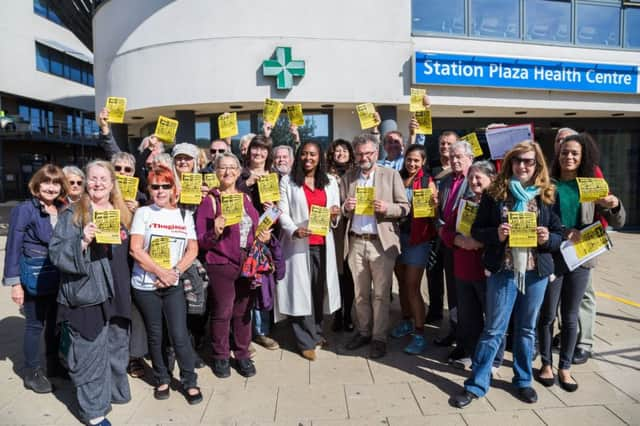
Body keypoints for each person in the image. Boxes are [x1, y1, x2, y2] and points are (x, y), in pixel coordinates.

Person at [451, 140, 563, 408]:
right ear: (510, 162)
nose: (522, 166)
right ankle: (477, 384)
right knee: (494, 330)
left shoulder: (547, 194)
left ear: (537, 165)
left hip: (535, 273)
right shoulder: (496, 193)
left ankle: (523, 380)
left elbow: (559, 233)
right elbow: (478, 230)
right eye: (518, 160)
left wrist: (548, 238)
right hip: (504, 271)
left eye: (528, 161)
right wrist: (496, 234)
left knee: (526, 330)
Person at [537, 133, 625, 392]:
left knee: (571, 316)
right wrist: (563, 231)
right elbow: (541, 220)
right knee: (547, 315)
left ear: (583, 156)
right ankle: (546, 364)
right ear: (558, 155)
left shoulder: (591, 185)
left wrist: (614, 204)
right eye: (565, 152)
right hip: (553, 256)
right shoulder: (547, 184)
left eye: (575, 153)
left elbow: (618, 221)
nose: (569, 157)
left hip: (581, 259)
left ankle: (565, 367)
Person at [49, 160, 133, 425]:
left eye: (103, 179)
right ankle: (95, 412)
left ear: (112, 183)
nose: (97, 183)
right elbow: (55, 252)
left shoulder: (122, 211)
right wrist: (82, 241)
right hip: (87, 292)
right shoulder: (73, 213)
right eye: (92, 178)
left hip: (118, 289)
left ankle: (114, 391)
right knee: (88, 352)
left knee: (116, 346)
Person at [196, 153, 275, 378]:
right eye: (223, 168)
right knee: (223, 311)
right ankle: (220, 355)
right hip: (221, 263)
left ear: (240, 172)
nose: (228, 172)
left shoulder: (246, 198)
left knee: (243, 312)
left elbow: (255, 229)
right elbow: (201, 239)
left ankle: (242, 354)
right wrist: (215, 231)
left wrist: (263, 235)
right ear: (216, 173)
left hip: (247, 262)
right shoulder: (209, 201)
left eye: (232, 168)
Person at [129, 165, 202, 404]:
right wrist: (160, 272)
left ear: (174, 189)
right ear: (149, 189)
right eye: (155, 186)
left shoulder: (184, 215)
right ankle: (161, 377)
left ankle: (189, 380)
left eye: (165, 186)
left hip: (173, 284)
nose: (160, 191)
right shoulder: (143, 213)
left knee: (179, 334)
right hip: (146, 285)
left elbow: (193, 249)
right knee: (156, 334)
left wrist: (174, 272)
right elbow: (135, 249)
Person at [340, 133, 410, 358]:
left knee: (380, 295)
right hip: (356, 241)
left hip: (381, 243)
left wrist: (387, 208)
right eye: (359, 154)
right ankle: (363, 331)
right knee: (360, 294)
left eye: (368, 153)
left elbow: (405, 208)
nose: (364, 157)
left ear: (376, 152)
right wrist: (345, 207)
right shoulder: (349, 177)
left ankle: (379, 337)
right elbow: (339, 210)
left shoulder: (390, 175)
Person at [3, 164, 68, 394]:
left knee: (54, 324)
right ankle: (31, 372)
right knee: (34, 325)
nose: (51, 187)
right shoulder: (25, 210)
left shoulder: (62, 207)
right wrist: (15, 284)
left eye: (56, 183)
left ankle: (53, 365)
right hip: (34, 275)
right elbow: (13, 247)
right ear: (37, 184)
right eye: (46, 182)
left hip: (59, 275)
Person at [277, 141, 341, 360]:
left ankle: (316, 332)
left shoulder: (330, 181)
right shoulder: (288, 181)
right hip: (299, 244)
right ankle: (304, 340)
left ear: (319, 157)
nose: (308, 158)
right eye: (304, 154)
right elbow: (282, 212)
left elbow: (335, 209)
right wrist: (294, 230)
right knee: (300, 291)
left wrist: (334, 213)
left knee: (318, 291)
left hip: (323, 244)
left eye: (312, 154)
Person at [440, 161, 502, 370]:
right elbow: (446, 230)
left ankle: (495, 359)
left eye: (479, 178)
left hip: (487, 270)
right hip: (463, 268)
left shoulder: (498, 204)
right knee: (470, 317)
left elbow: (501, 234)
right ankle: (474, 354)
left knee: (492, 317)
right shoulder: (464, 203)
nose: (474, 182)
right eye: (471, 177)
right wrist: (458, 240)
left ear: (492, 179)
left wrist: (480, 241)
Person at [389, 144, 438, 355]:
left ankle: (419, 332)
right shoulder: (396, 177)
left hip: (418, 239)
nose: (412, 163)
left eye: (416, 160)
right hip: (395, 237)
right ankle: (406, 320)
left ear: (423, 162)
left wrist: (435, 206)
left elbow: (434, 215)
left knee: (412, 286)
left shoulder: (427, 182)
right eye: (409, 159)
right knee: (401, 282)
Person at [237, 134, 281, 350]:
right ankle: (244, 333)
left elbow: (282, 208)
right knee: (246, 285)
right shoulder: (240, 174)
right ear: (249, 150)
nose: (259, 153)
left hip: (266, 236)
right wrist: (247, 184)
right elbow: (232, 198)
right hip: (244, 237)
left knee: (264, 284)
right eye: (255, 148)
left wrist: (272, 209)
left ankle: (262, 331)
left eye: (263, 150)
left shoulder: (275, 176)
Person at [435, 141, 476, 361]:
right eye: (452, 157)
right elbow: (440, 212)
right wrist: (440, 227)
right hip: (449, 245)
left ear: (470, 158)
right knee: (454, 295)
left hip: (470, 249)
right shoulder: (446, 181)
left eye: (459, 156)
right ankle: (456, 333)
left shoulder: (475, 181)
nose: (454, 160)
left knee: (469, 299)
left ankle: (468, 344)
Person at [423, 131, 456, 325]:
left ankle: (455, 319)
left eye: (449, 144)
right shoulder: (431, 168)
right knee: (433, 273)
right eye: (442, 143)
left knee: (453, 279)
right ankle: (435, 312)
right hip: (434, 232)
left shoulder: (463, 170)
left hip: (453, 232)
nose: (445, 147)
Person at [326, 139, 356, 332]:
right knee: (337, 273)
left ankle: (348, 315)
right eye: (337, 151)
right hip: (333, 229)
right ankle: (337, 314)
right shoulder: (326, 176)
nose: (341, 153)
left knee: (350, 274)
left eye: (344, 150)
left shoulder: (356, 174)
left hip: (353, 227)